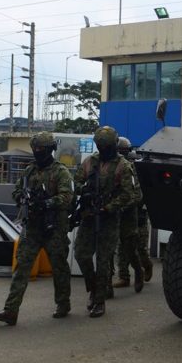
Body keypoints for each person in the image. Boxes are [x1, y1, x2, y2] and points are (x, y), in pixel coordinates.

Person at [0, 132, 74, 323]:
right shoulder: (29, 170)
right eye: (35, 149)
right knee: (21, 268)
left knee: (59, 267)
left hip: (54, 228)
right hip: (33, 227)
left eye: (41, 149)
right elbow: (17, 190)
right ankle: (10, 310)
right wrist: (22, 198)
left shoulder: (61, 171)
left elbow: (67, 197)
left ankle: (63, 303)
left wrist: (46, 203)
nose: (37, 152)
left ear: (50, 150)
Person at [73, 126, 137, 318]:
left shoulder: (123, 166)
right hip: (89, 216)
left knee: (103, 262)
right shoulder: (89, 162)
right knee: (81, 255)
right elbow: (76, 181)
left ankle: (99, 300)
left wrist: (109, 207)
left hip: (108, 219)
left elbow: (128, 194)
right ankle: (93, 288)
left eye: (106, 146)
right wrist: (83, 191)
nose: (103, 150)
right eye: (101, 146)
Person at [112, 136, 145, 293]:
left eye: (122, 152)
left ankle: (140, 270)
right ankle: (123, 277)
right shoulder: (108, 167)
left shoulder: (131, 168)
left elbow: (137, 195)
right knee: (113, 247)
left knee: (131, 247)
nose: (120, 154)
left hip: (128, 213)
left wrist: (123, 205)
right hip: (111, 212)